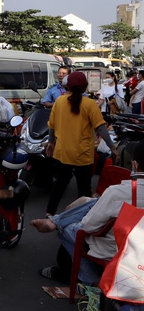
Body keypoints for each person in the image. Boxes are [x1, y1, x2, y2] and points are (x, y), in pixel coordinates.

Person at [30, 145, 144, 286]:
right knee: (93, 203)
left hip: (117, 249)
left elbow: (89, 226)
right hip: (139, 248)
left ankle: (91, 281)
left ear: (135, 164)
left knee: (67, 228)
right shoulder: (118, 193)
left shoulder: (117, 192)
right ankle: (57, 221)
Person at [45, 71, 119, 216]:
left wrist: (51, 142)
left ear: (67, 86)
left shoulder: (59, 102)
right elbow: (101, 128)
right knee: (84, 189)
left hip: (62, 152)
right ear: (85, 88)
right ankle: (82, 219)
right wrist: (112, 147)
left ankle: (49, 213)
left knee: (59, 185)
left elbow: (51, 126)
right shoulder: (90, 104)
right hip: (83, 154)